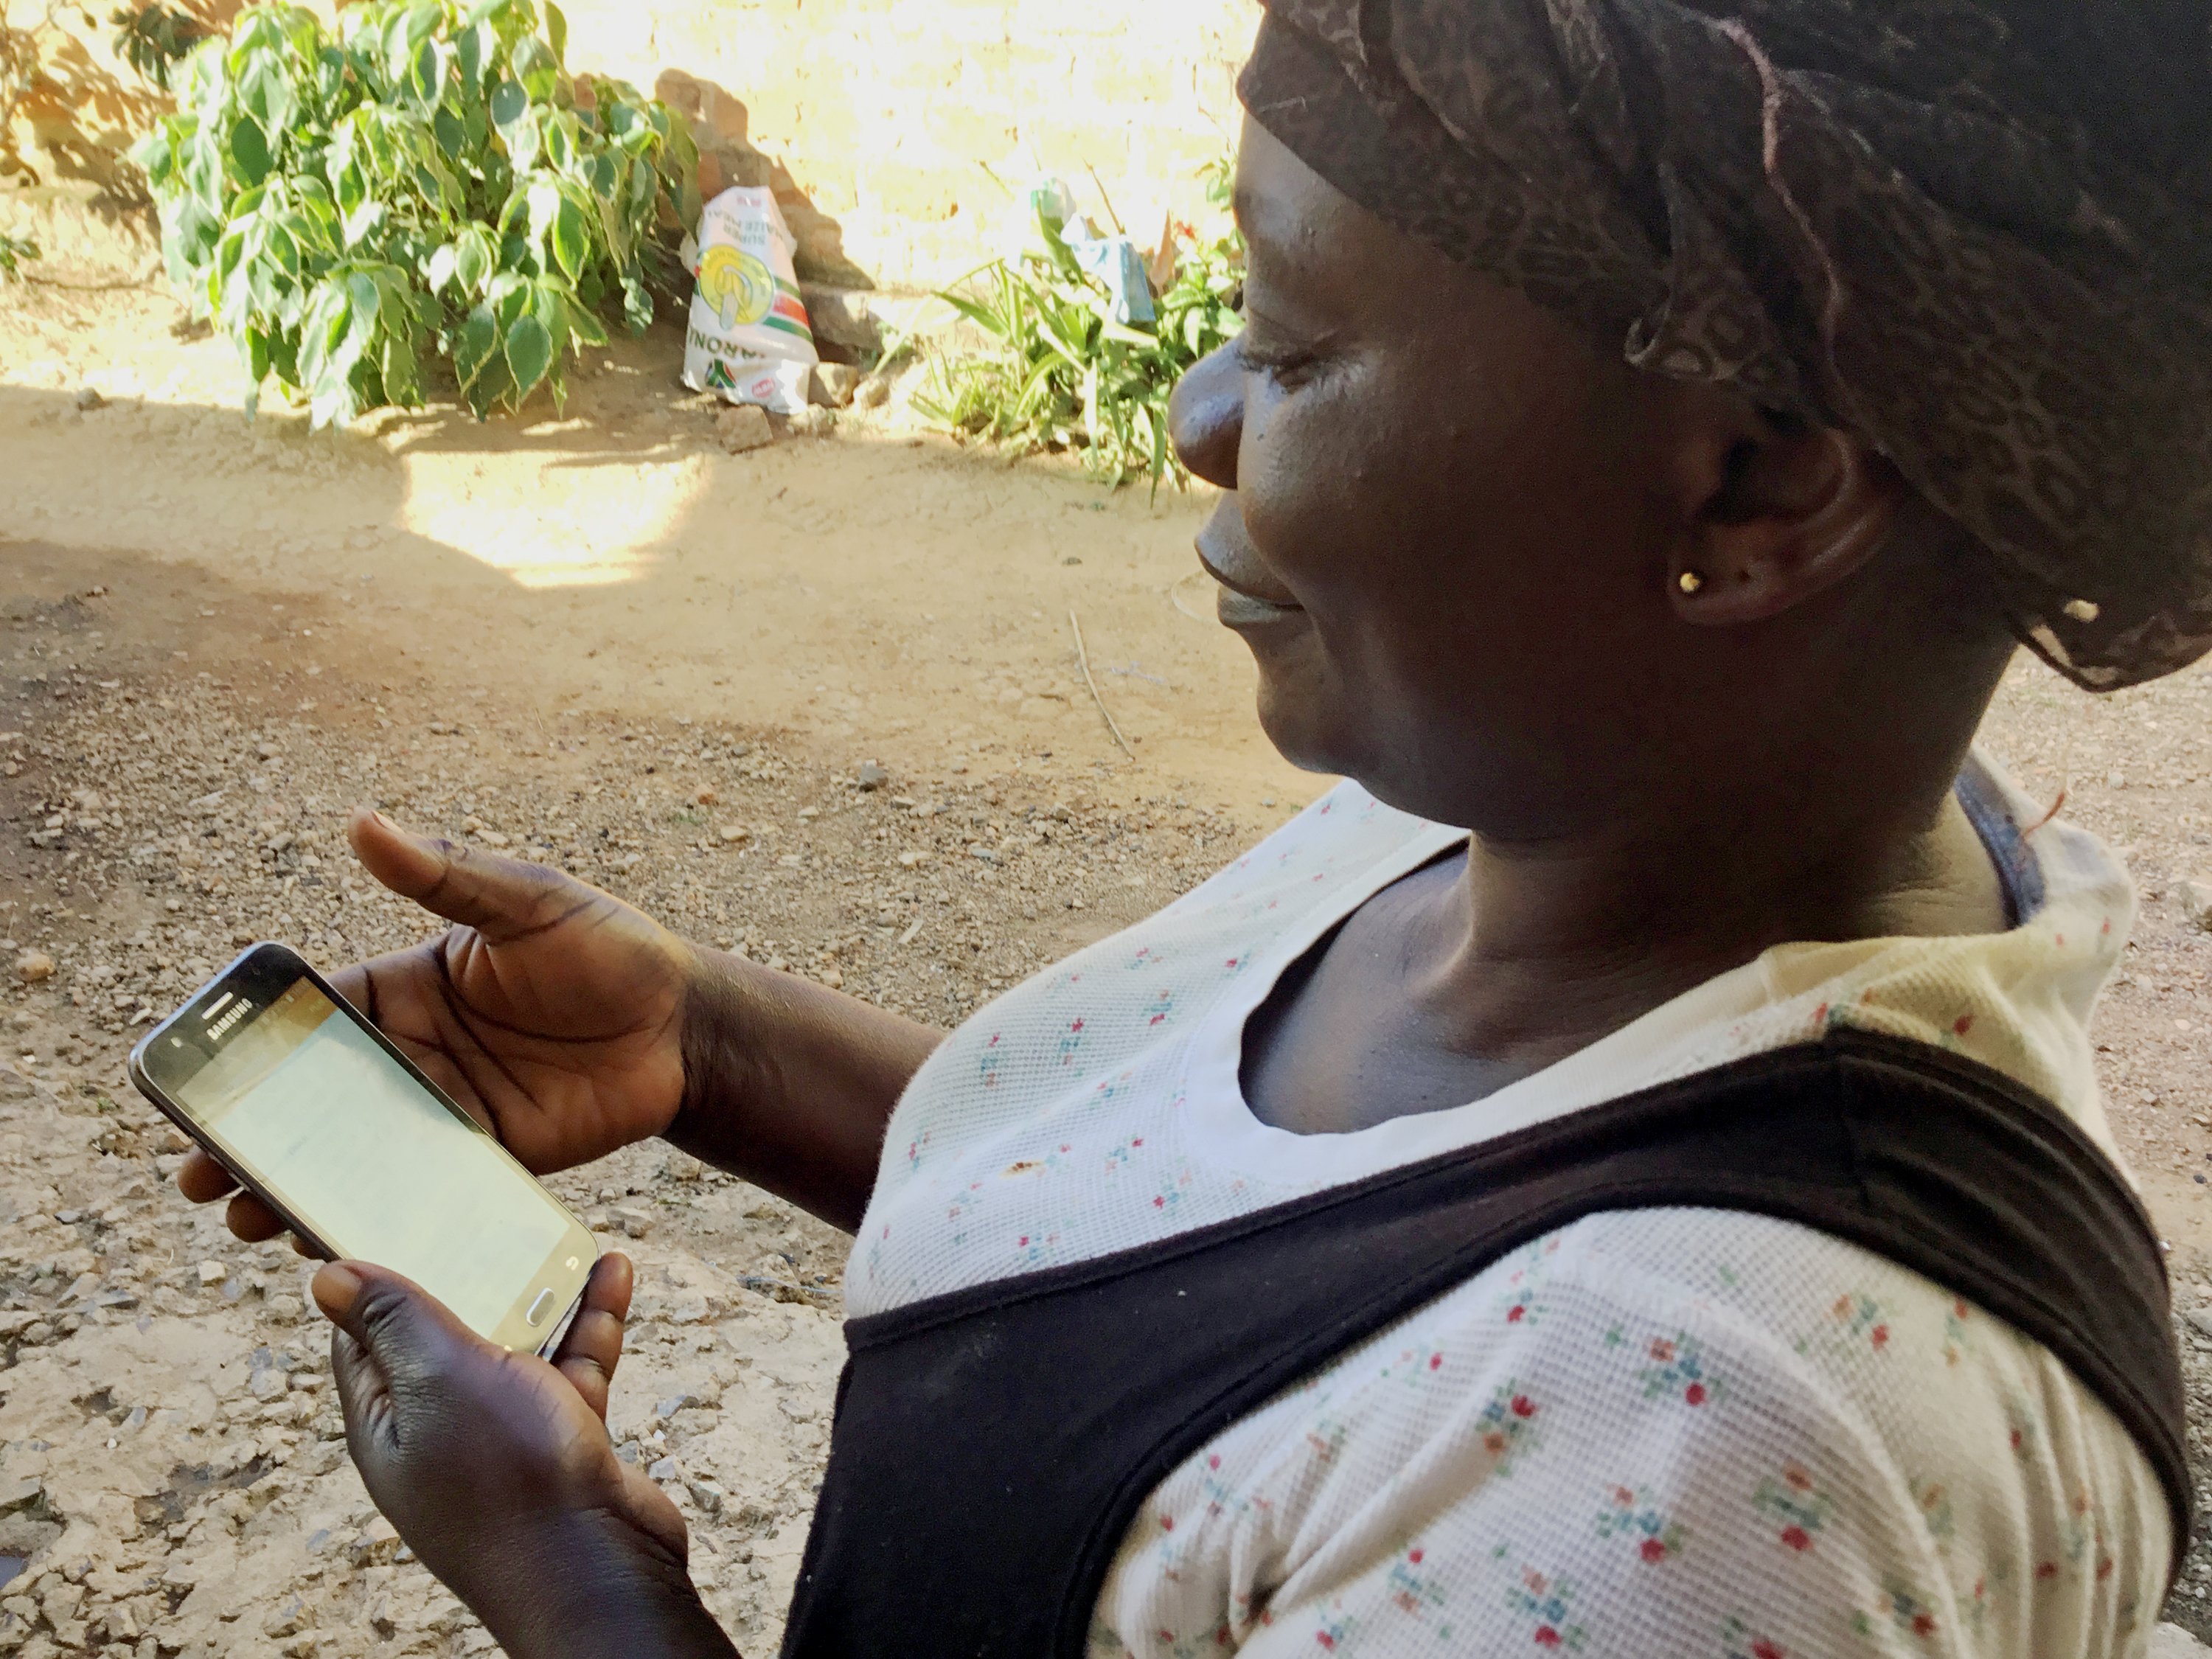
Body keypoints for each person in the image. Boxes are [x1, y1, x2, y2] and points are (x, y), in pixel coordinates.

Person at [181, 1, 2212, 1654]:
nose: (1200, 411)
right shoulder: (1601, 821)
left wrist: (573, 1574)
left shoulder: (1682, 1475)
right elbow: (1268, 1272)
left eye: (1304, 339)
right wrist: (707, 1045)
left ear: (1761, 483)